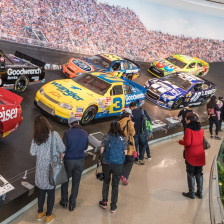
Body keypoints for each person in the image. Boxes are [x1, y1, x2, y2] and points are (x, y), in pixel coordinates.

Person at [30, 116, 65, 224]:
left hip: (40, 168)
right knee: (51, 192)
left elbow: (32, 152)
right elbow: (62, 149)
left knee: (41, 191)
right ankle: (49, 216)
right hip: (52, 168)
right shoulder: (55, 135)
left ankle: (40, 213)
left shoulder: (36, 138)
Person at [60, 117, 88, 211]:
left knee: (65, 181)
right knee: (76, 183)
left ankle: (64, 201)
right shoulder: (85, 133)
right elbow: (85, 147)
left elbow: (64, 149)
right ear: (78, 122)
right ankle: (72, 204)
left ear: (69, 125)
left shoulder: (67, 133)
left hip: (68, 161)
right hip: (80, 161)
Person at [99, 121, 128, 213]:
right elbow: (126, 152)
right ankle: (113, 206)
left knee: (106, 182)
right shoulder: (123, 138)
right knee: (115, 185)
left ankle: (104, 202)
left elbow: (102, 150)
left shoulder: (106, 136)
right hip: (118, 164)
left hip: (107, 163)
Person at [178, 112, 205, 199]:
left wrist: (180, 141)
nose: (186, 120)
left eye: (186, 119)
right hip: (200, 154)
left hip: (191, 155)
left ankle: (191, 193)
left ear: (189, 120)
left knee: (190, 174)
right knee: (199, 173)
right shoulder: (201, 129)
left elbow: (188, 143)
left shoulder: (188, 130)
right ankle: (200, 193)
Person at [129, 101, 151, 165]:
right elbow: (149, 119)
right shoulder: (143, 111)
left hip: (134, 133)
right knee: (143, 145)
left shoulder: (131, 114)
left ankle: (135, 158)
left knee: (135, 147)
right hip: (143, 132)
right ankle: (141, 159)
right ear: (136, 106)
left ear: (131, 107)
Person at [118, 108, 136, 185]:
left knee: (123, 160)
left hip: (120, 144)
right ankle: (124, 176)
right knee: (130, 160)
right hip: (129, 145)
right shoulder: (129, 122)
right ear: (129, 114)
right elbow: (133, 133)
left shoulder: (118, 122)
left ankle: (119, 174)